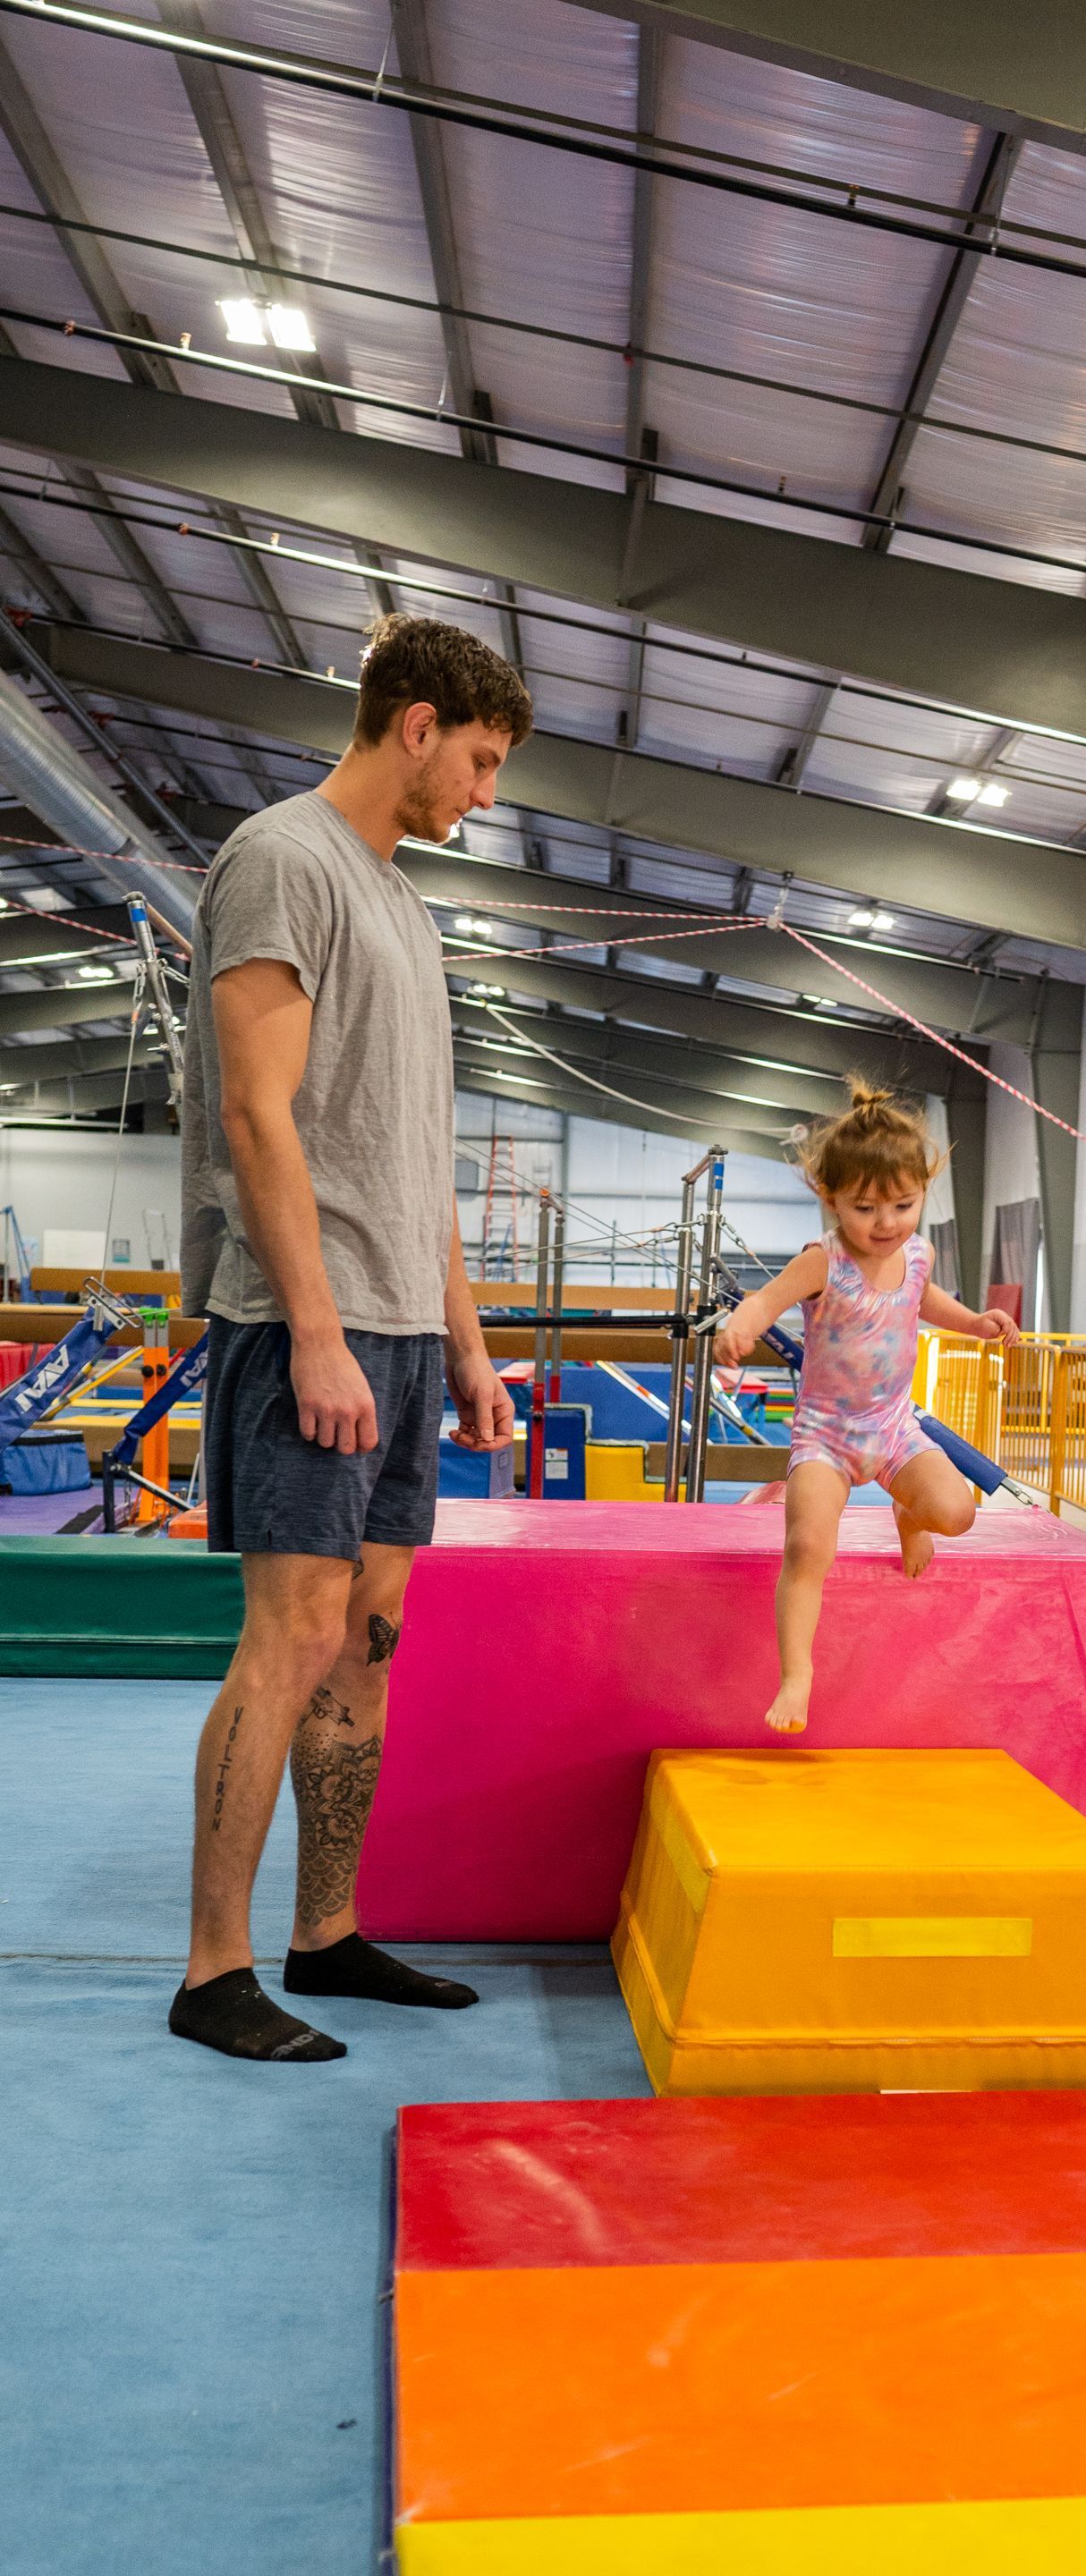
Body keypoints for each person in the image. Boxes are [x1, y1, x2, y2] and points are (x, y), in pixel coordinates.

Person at [169, 614, 531, 2063]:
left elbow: (419, 1154)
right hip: (297, 1321)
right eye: (485, 763)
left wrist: (465, 1342)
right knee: (293, 1632)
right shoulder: (283, 860)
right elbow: (261, 1112)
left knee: (366, 1641)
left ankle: (326, 1936)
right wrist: (315, 1333)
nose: (487, 797)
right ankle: (213, 1970)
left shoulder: (406, 906)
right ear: (418, 724)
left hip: (397, 1327)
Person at [714, 1084, 1021, 1733]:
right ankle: (797, 1673)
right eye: (866, 1208)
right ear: (830, 1199)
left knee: (957, 1511)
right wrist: (740, 1327)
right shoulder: (824, 1261)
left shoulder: (916, 1253)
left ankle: (909, 1514)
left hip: (892, 1426)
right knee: (807, 1546)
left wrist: (974, 1323)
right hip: (826, 1436)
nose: (886, 1224)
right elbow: (764, 1302)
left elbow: (926, 1300)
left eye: (904, 1205)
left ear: (922, 1194)